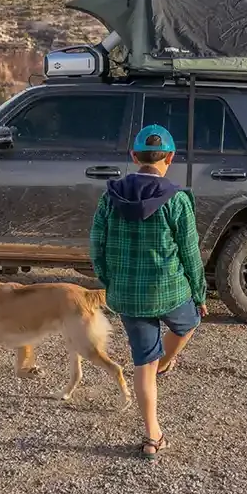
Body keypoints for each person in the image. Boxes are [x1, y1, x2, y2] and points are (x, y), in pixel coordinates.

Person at [89, 125, 207, 460]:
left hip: (126, 294)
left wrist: (109, 280)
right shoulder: (178, 200)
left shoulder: (109, 197)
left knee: (143, 362)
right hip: (170, 291)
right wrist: (199, 294)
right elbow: (190, 253)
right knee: (188, 323)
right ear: (170, 158)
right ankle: (166, 359)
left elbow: (96, 246)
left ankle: (153, 435)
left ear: (134, 157)